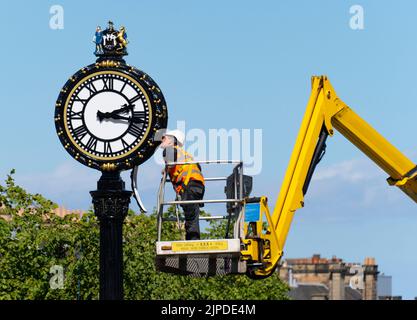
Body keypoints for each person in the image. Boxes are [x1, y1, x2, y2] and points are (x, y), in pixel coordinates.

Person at [160, 130, 205, 240]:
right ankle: (194, 240)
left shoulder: (170, 150)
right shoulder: (185, 154)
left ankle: (193, 244)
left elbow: (170, 163)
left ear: (171, 141)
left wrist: (165, 170)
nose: (162, 140)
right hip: (197, 185)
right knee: (192, 216)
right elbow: (198, 167)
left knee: (190, 218)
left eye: (164, 138)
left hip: (189, 185)